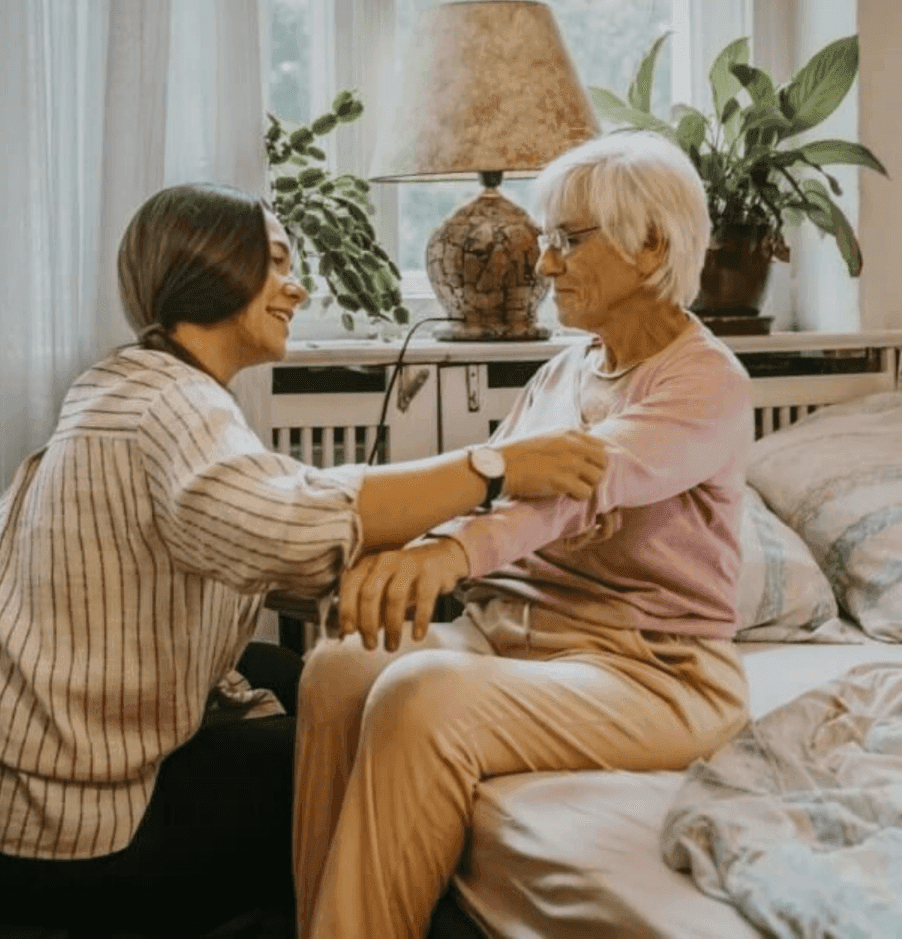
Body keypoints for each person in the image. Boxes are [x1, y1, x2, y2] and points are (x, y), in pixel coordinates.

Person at [0, 183, 606, 938]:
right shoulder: (173, 407)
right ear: (213, 268)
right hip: (52, 823)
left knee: (296, 678)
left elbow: (271, 526)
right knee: (373, 788)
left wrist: (440, 566)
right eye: (276, 262)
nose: (298, 285)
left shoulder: (129, 382)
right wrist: (495, 467)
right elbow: (295, 521)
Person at [293, 130, 756, 939]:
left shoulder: (705, 382)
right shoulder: (565, 368)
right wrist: (401, 552)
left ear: (650, 245)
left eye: (566, 241)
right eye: (547, 241)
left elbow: (575, 487)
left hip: (651, 672)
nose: (544, 266)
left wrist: (449, 555)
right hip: (511, 636)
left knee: (420, 697)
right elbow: (495, 485)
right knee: (339, 666)